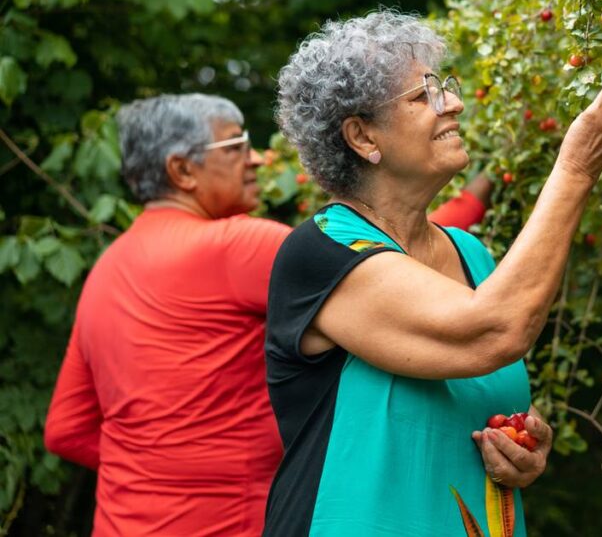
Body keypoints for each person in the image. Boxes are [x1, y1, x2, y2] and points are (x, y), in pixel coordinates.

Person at [42, 93, 514, 536]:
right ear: (183, 171)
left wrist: (160, 465)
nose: (257, 159)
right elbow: (382, 265)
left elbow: (66, 429)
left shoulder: (106, 269)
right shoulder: (233, 246)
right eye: (236, 145)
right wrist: (476, 194)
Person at [264, 11, 602, 536]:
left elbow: (489, 391)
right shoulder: (321, 253)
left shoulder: (471, 253)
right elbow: (496, 331)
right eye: (423, 94)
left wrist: (526, 444)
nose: (453, 102)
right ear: (362, 136)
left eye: (444, 86)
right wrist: (574, 172)